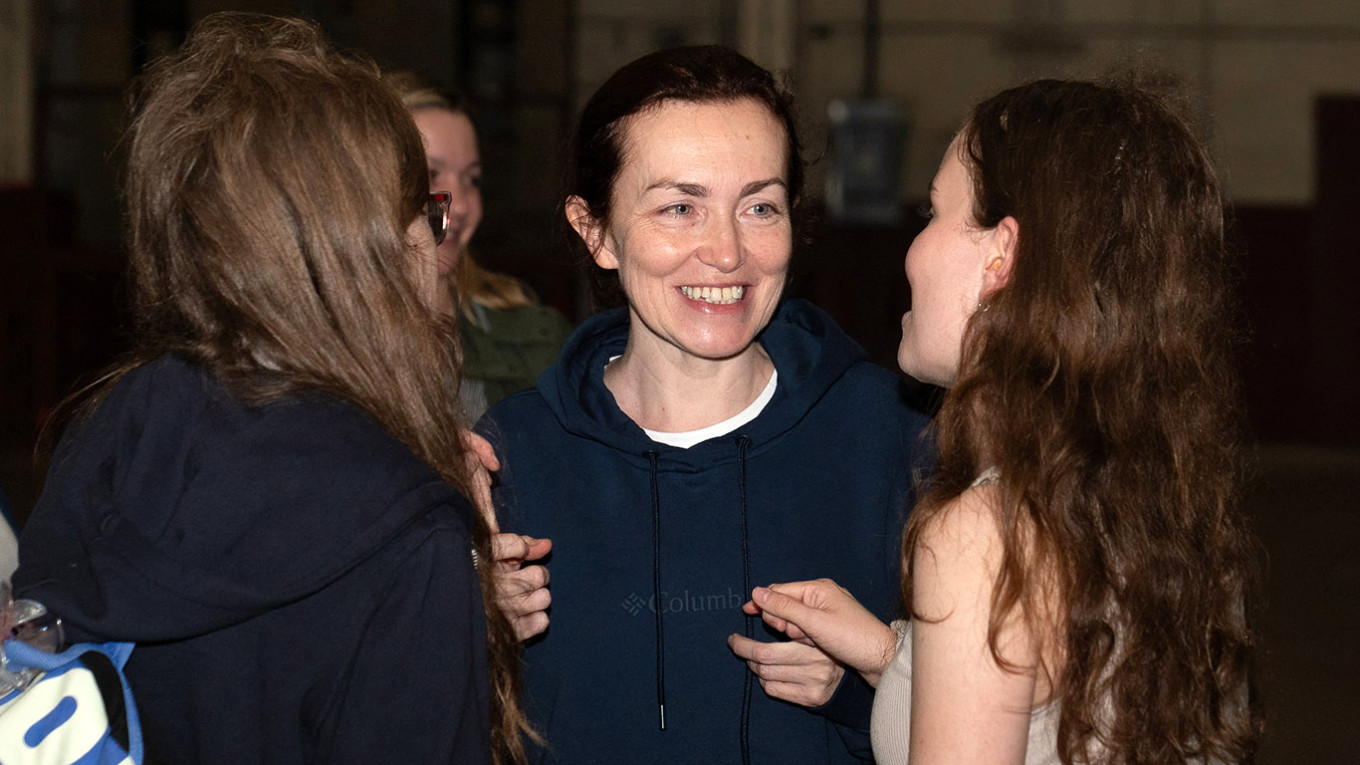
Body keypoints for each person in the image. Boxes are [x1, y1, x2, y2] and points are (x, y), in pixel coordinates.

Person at [13, 13, 530, 764]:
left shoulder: (114, 423)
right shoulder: (405, 530)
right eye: (424, 211)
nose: (437, 239)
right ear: (359, 249)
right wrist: (467, 586)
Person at [739, 80, 1260, 764]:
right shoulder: (1161, 499)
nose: (913, 246)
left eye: (933, 211)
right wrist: (891, 653)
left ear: (1000, 256)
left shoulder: (983, 536)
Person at [477, 46, 931, 763]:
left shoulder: (893, 439)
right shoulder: (512, 457)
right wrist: (461, 639)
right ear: (595, 229)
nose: (726, 252)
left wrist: (867, 683)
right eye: (680, 207)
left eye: (758, 206)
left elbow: (1011, 717)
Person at [390, 74, 573, 423]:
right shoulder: (313, 346)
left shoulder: (538, 345)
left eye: (471, 179)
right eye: (430, 174)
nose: (458, 206)